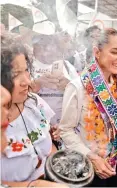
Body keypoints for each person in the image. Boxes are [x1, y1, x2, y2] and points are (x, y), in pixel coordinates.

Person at [59, 28, 117, 187]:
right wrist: (92, 157)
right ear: (97, 52)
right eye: (114, 52)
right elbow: (65, 130)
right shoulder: (78, 86)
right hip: (88, 168)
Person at [1, 34, 65, 187]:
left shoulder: (34, 102)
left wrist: (58, 161)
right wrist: (34, 185)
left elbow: (49, 139)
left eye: (26, 71)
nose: (27, 81)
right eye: (16, 75)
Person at [31, 34, 78, 126]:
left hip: (62, 127)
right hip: (34, 128)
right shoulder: (26, 66)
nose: (47, 48)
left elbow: (81, 93)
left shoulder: (67, 66)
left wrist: (69, 86)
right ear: (34, 46)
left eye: (49, 41)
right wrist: (36, 84)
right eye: (41, 43)